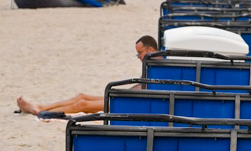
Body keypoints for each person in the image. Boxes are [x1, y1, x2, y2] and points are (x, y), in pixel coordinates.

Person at [16, 36, 159, 118]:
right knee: (81, 96)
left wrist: (123, 94)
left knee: (82, 104)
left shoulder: (158, 66)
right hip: (127, 98)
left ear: (150, 49)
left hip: (130, 103)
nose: (138, 57)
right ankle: (42, 106)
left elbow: (146, 91)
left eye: (139, 53)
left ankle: (40, 111)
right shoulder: (152, 64)